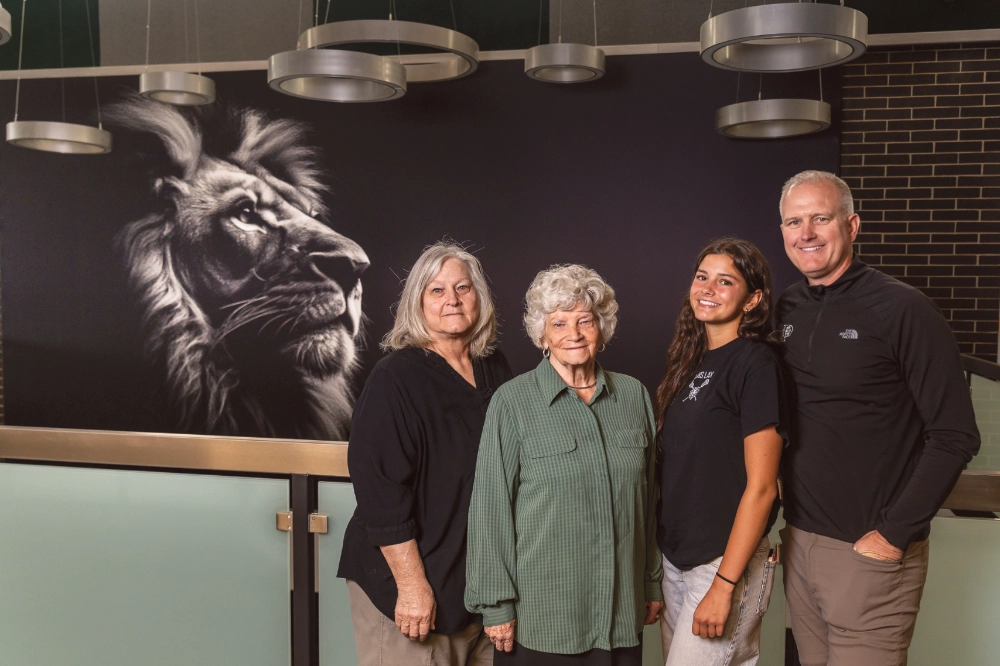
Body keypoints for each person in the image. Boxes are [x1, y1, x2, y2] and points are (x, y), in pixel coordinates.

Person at [775, 170, 981, 666]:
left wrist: (893, 535)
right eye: (794, 222)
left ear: (852, 225)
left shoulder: (903, 309)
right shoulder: (788, 306)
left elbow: (955, 435)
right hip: (799, 541)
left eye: (820, 219)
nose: (806, 233)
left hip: (869, 550)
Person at [465, 264, 664, 666]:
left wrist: (650, 583)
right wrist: (497, 606)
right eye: (559, 323)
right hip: (545, 620)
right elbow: (490, 511)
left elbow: (650, 505)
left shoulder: (634, 396)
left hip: (621, 614)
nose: (573, 334)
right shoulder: (512, 402)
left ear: (601, 329)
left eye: (584, 321)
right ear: (542, 335)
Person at [337, 241, 513, 666]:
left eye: (463, 288)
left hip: (476, 589)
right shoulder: (395, 378)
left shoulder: (494, 366)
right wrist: (413, 587)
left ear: (479, 297)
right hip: (409, 584)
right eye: (437, 290)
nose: (452, 299)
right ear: (417, 302)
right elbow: (381, 492)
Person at [654, 238, 785, 665]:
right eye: (702, 277)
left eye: (725, 281)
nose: (707, 289)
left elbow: (763, 488)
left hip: (722, 563)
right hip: (676, 560)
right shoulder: (688, 362)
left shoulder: (756, 363)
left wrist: (725, 584)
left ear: (753, 299)